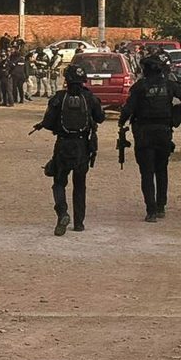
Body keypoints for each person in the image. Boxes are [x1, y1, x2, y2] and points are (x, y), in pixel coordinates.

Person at [118, 54, 181, 221]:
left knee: (146, 172)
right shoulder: (169, 85)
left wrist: (121, 122)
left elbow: (128, 109)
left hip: (144, 133)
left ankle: (151, 211)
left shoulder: (140, 87)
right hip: (164, 132)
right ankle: (161, 206)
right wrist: (175, 108)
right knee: (161, 170)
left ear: (145, 70)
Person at [37, 64, 105, 234]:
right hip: (83, 146)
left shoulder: (59, 98)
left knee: (59, 182)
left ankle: (62, 213)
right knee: (80, 185)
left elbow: (49, 122)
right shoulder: (90, 98)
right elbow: (101, 118)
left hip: (63, 145)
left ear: (66, 80)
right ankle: (79, 223)